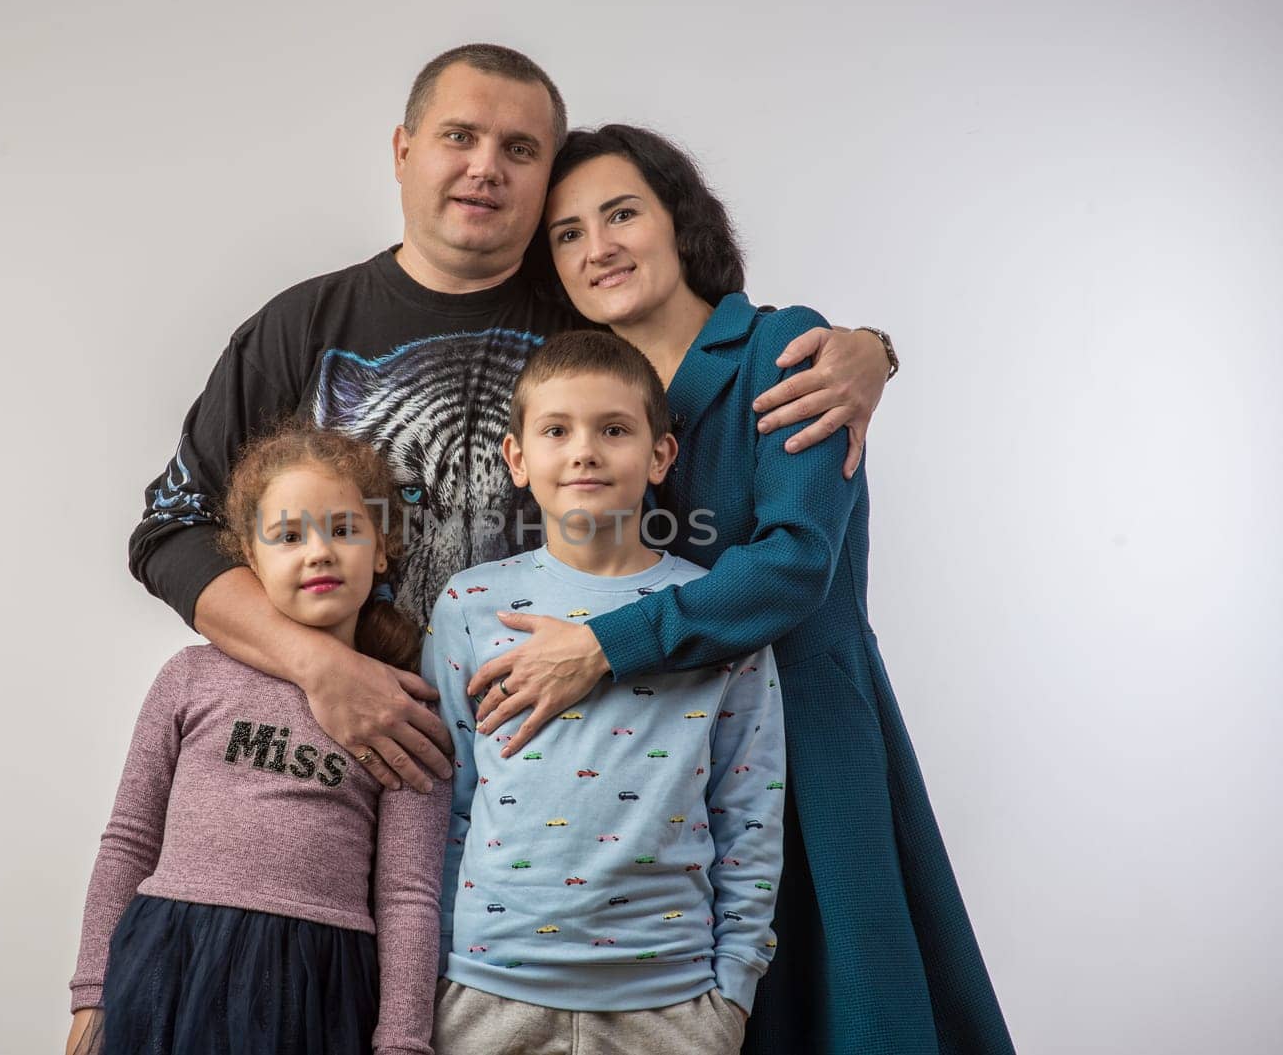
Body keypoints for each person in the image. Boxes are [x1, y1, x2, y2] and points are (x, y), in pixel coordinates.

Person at [126, 44, 897, 792]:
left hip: (583, 772)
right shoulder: (301, 328)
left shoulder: (596, 325)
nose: (486, 167)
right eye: (459, 136)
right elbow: (170, 530)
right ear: (403, 150)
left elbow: (716, 361)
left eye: (521, 149)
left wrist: (868, 352)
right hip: (342, 768)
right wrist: (317, 663)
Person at [464, 124, 1014, 1053]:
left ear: (681, 221)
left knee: (842, 1006)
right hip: (654, 776)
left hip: (805, 736)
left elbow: (796, 561)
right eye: (565, 233)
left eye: (621, 213)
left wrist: (601, 646)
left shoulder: (785, 348)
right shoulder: (592, 397)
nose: (596, 247)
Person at [424, 329, 786, 1055]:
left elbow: (750, 814)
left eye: (613, 429)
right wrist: (428, 975)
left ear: (660, 454)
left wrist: (733, 993)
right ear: (518, 459)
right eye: (557, 430)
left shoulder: (714, 613)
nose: (584, 450)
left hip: (672, 1003)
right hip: (485, 992)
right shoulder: (471, 604)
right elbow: (445, 800)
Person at [67, 422, 451, 1055]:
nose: (319, 552)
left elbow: (410, 895)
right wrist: (91, 997)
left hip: (319, 985)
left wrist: (403, 1041)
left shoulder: (402, 712)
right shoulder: (190, 678)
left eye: (344, 530)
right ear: (250, 556)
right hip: (170, 965)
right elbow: (129, 841)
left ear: (382, 548)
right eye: (290, 536)